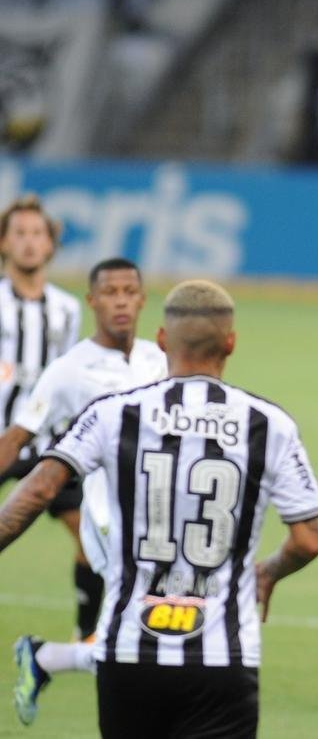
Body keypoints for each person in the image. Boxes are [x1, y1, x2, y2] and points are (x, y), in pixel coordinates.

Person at [0, 280, 318, 738]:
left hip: (128, 652)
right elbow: (308, 540)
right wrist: (269, 572)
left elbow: (36, 492)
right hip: (223, 657)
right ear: (230, 342)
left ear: (160, 340)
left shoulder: (112, 413)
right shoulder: (269, 424)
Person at [9, 258, 167, 725]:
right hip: (107, 518)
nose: (120, 300)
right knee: (151, 634)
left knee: (150, 634)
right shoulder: (69, 370)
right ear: (92, 301)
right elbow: (19, 435)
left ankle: (43, 658)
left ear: (141, 299)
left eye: (129, 291)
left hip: (158, 516)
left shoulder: (158, 359)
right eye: (110, 292)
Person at [0, 195, 89, 643]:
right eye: (20, 234)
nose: (30, 243)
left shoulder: (68, 309)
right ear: (4, 243)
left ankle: (87, 638)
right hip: (0, 438)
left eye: (38, 234)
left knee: (92, 539)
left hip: (51, 445)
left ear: (51, 245)